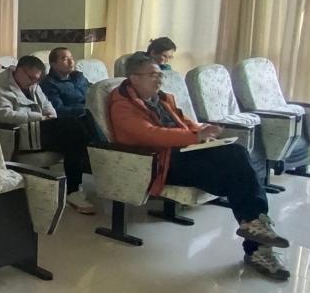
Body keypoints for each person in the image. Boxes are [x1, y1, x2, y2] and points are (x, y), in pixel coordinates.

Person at [109, 53, 290, 280]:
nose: (159, 79)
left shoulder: (161, 99)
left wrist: (202, 130)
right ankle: (256, 237)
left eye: (160, 75)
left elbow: (184, 122)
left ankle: (256, 237)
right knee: (236, 163)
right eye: (152, 75)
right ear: (134, 78)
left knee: (237, 166)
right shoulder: (121, 105)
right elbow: (150, 134)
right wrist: (195, 137)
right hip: (158, 162)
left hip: (182, 153)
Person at [0, 55, 95, 214]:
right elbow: (2, 115)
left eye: (37, 79)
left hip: (42, 128)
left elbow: (47, 104)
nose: (33, 82)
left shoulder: (34, 87)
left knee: (78, 133)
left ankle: (74, 188)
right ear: (19, 70)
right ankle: (75, 188)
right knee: (75, 130)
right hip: (23, 133)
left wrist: (50, 114)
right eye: (31, 78)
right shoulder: (0, 90)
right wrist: (38, 117)